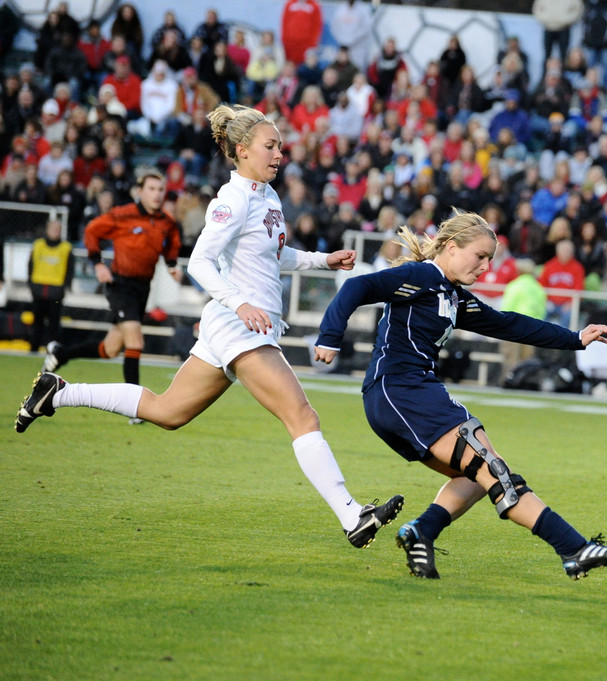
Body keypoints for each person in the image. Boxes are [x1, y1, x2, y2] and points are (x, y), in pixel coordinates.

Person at [17, 104, 404, 550]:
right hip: (239, 326)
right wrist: (239, 304)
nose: (280, 154)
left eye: (280, 146)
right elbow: (200, 262)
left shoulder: (267, 196)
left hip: (241, 326)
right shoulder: (233, 199)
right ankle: (352, 514)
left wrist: (322, 259)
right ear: (242, 151)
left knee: (168, 413)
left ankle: (58, 391)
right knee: (302, 416)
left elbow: (273, 255)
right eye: (270, 146)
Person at [313, 210, 607, 580]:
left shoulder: (452, 296)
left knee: (477, 477)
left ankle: (422, 532)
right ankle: (575, 548)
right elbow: (358, 287)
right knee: (493, 470)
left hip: (402, 396)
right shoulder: (421, 277)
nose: (485, 267)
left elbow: (507, 324)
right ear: (451, 247)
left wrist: (575, 338)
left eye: (490, 260)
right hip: (402, 389)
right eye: (479, 256)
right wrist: (330, 335)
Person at [41, 170, 181, 391]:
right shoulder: (123, 214)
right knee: (135, 342)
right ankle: (135, 405)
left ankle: (62, 353)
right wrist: (97, 263)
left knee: (111, 349)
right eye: (151, 189)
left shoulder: (167, 221)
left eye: (160, 189)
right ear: (139, 191)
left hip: (143, 288)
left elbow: (172, 242)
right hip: (121, 285)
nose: (156, 194)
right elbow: (92, 231)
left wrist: (172, 265)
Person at [28, 219, 73, 353]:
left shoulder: (66, 248)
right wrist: (32, 285)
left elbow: (69, 269)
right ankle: (34, 348)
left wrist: (65, 287)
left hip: (56, 291)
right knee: (37, 321)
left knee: (54, 323)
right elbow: (30, 266)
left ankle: (53, 351)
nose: (55, 232)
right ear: (47, 229)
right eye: (53, 229)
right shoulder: (38, 245)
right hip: (39, 288)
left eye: (58, 229)